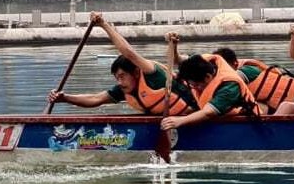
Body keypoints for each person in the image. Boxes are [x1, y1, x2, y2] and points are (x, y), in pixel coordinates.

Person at [48, 13, 190, 115]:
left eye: (122, 76)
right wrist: (65, 98)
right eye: (117, 78)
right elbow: (95, 98)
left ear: (135, 72)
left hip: (195, 114)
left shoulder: (152, 73)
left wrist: (103, 24)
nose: (120, 82)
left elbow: (129, 53)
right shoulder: (124, 89)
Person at [160, 51, 258, 133]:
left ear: (208, 76)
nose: (196, 88)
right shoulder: (204, 61)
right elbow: (179, 60)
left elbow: (208, 112)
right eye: (193, 85)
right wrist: (175, 46)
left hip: (243, 118)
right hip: (208, 108)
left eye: (197, 85)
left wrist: (180, 121)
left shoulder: (229, 86)